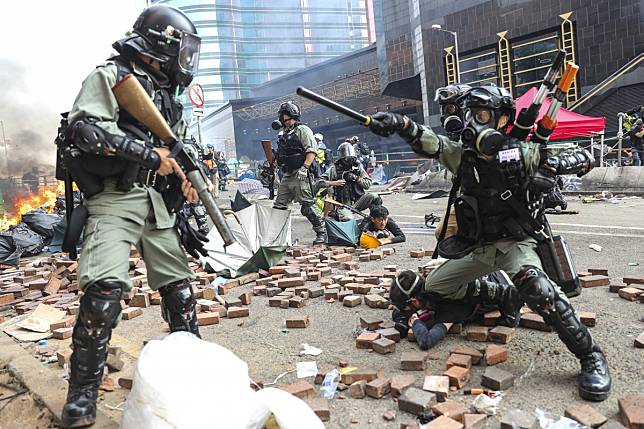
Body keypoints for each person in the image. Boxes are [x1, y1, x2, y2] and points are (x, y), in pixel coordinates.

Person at [367, 82, 610, 402]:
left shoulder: (522, 151)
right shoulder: (463, 155)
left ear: (501, 120)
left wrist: (551, 168)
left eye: (481, 114)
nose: (473, 122)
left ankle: (590, 356)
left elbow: (587, 155)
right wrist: (401, 124)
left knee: (538, 288)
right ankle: (499, 294)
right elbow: (432, 143)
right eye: (469, 115)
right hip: (478, 248)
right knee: (434, 287)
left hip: (515, 245)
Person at [58, 5, 209, 427]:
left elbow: (170, 152)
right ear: (159, 46)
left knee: (179, 290)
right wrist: (147, 154)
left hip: (151, 198)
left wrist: (184, 180)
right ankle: (83, 394)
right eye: (182, 50)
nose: (187, 60)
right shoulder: (110, 76)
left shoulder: (163, 94)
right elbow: (84, 131)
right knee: (104, 293)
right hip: (114, 197)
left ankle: (192, 367)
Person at [391, 269, 514, 349]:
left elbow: (426, 340)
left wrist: (416, 322)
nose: (403, 311)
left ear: (414, 301)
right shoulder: (434, 283)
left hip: (505, 283)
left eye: (404, 307)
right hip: (491, 272)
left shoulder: (451, 308)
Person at [273, 101, 326, 244]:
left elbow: (311, 151)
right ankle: (279, 238)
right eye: (283, 118)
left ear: (293, 117)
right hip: (287, 174)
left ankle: (322, 232)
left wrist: (305, 167)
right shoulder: (283, 134)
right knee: (279, 207)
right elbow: (281, 155)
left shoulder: (303, 130)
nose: (284, 121)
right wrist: (275, 165)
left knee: (307, 206)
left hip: (301, 173)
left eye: (286, 118)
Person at [322, 142, 381, 221]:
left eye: (351, 158)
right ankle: (336, 215)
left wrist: (357, 178)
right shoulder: (334, 169)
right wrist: (334, 183)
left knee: (375, 197)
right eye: (346, 158)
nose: (349, 160)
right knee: (347, 218)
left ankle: (374, 220)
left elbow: (368, 184)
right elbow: (320, 182)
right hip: (343, 205)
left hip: (358, 201)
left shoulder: (358, 168)